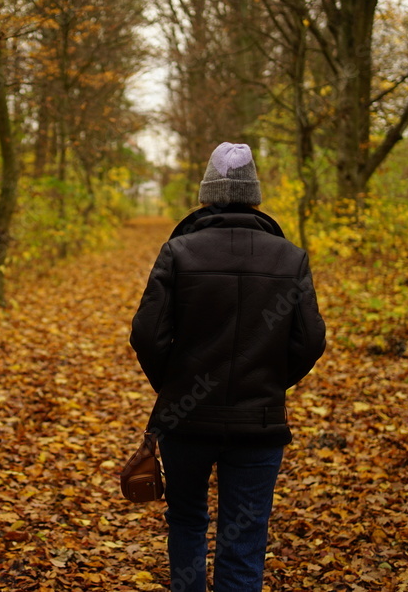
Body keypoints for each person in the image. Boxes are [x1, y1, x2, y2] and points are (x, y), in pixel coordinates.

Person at [130, 142, 326, 592]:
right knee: (246, 530)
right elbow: (310, 340)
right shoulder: (289, 257)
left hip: (186, 420)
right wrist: (272, 382)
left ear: (206, 194)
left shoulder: (179, 252)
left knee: (186, 518)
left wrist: (177, 385)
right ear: (255, 196)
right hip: (258, 423)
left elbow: (146, 334)